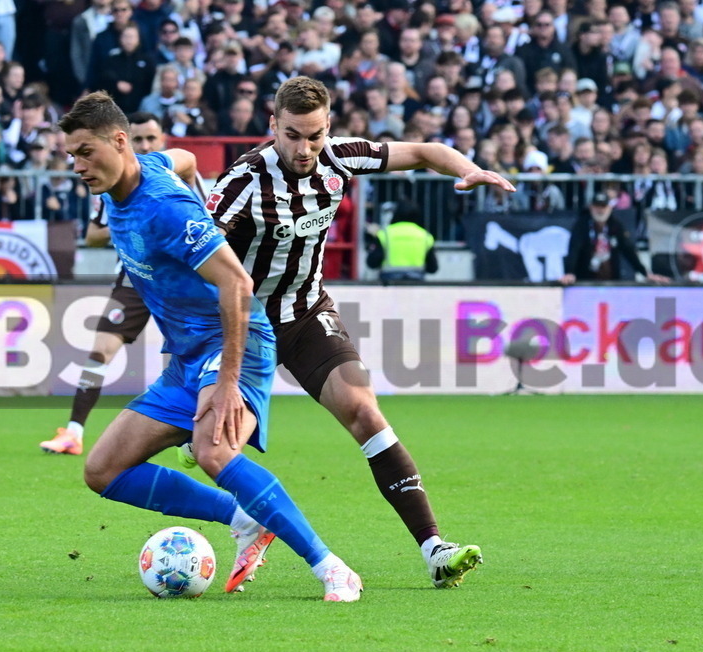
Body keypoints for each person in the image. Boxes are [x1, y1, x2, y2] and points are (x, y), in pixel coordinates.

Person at [208, 76, 517, 589]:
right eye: (293, 136)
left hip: (306, 314)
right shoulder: (242, 182)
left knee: (365, 412)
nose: (305, 149)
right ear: (272, 127)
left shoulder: (341, 156)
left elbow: (423, 150)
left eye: (315, 135)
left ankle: (434, 548)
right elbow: (200, 257)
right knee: (212, 443)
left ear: (328, 127)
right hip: (245, 325)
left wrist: (467, 170)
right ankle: (246, 523)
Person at [58, 91, 362, 601]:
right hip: (187, 358)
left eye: (85, 151)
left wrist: (225, 383)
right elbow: (184, 159)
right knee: (102, 470)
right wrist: (199, 185)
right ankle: (244, 517)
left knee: (213, 451)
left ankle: (331, 567)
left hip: (235, 342)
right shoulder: (134, 175)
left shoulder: (167, 210)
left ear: (118, 141)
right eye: (71, 155)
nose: (78, 165)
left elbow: (239, 286)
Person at [41, 112, 204, 455]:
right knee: (101, 349)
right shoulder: (112, 185)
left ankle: (194, 429)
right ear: (126, 141)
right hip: (135, 276)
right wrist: (131, 224)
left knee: (192, 354)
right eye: (139, 140)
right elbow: (92, 235)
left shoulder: (170, 178)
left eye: (151, 140)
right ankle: (73, 432)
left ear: (162, 141)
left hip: (180, 280)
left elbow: (206, 212)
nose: (144, 146)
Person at [560, 192, 671, 285]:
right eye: (597, 206)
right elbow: (574, 249)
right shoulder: (582, 225)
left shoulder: (615, 226)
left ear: (610, 208)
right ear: (591, 207)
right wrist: (570, 272)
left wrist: (645, 273)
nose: (600, 210)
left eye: (603, 206)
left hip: (611, 281)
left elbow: (628, 250)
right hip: (585, 281)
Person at [375, 199, 438, 283]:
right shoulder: (425, 236)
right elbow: (433, 268)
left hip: (389, 281)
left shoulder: (385, 234)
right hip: (416, 281)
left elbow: (372, 262)